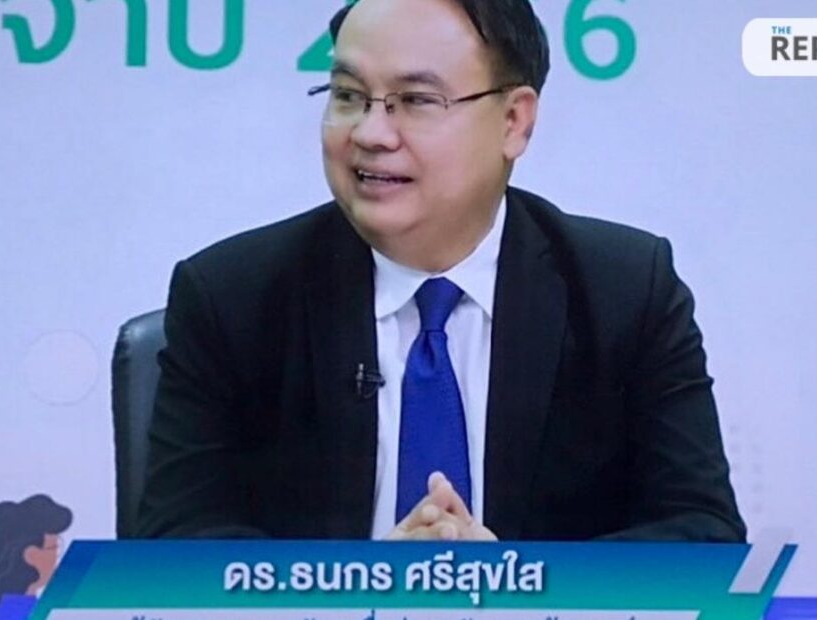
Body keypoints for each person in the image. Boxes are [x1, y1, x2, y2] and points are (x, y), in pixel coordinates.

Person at [137, 0, 745, 543]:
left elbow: (703, 535)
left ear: (514, 122)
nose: (371, 133)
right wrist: (360, 592)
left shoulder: (625, 292)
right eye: (348, 96)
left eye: (416, 101)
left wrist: (511, 590)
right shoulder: (231, 298)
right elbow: (175, 546)